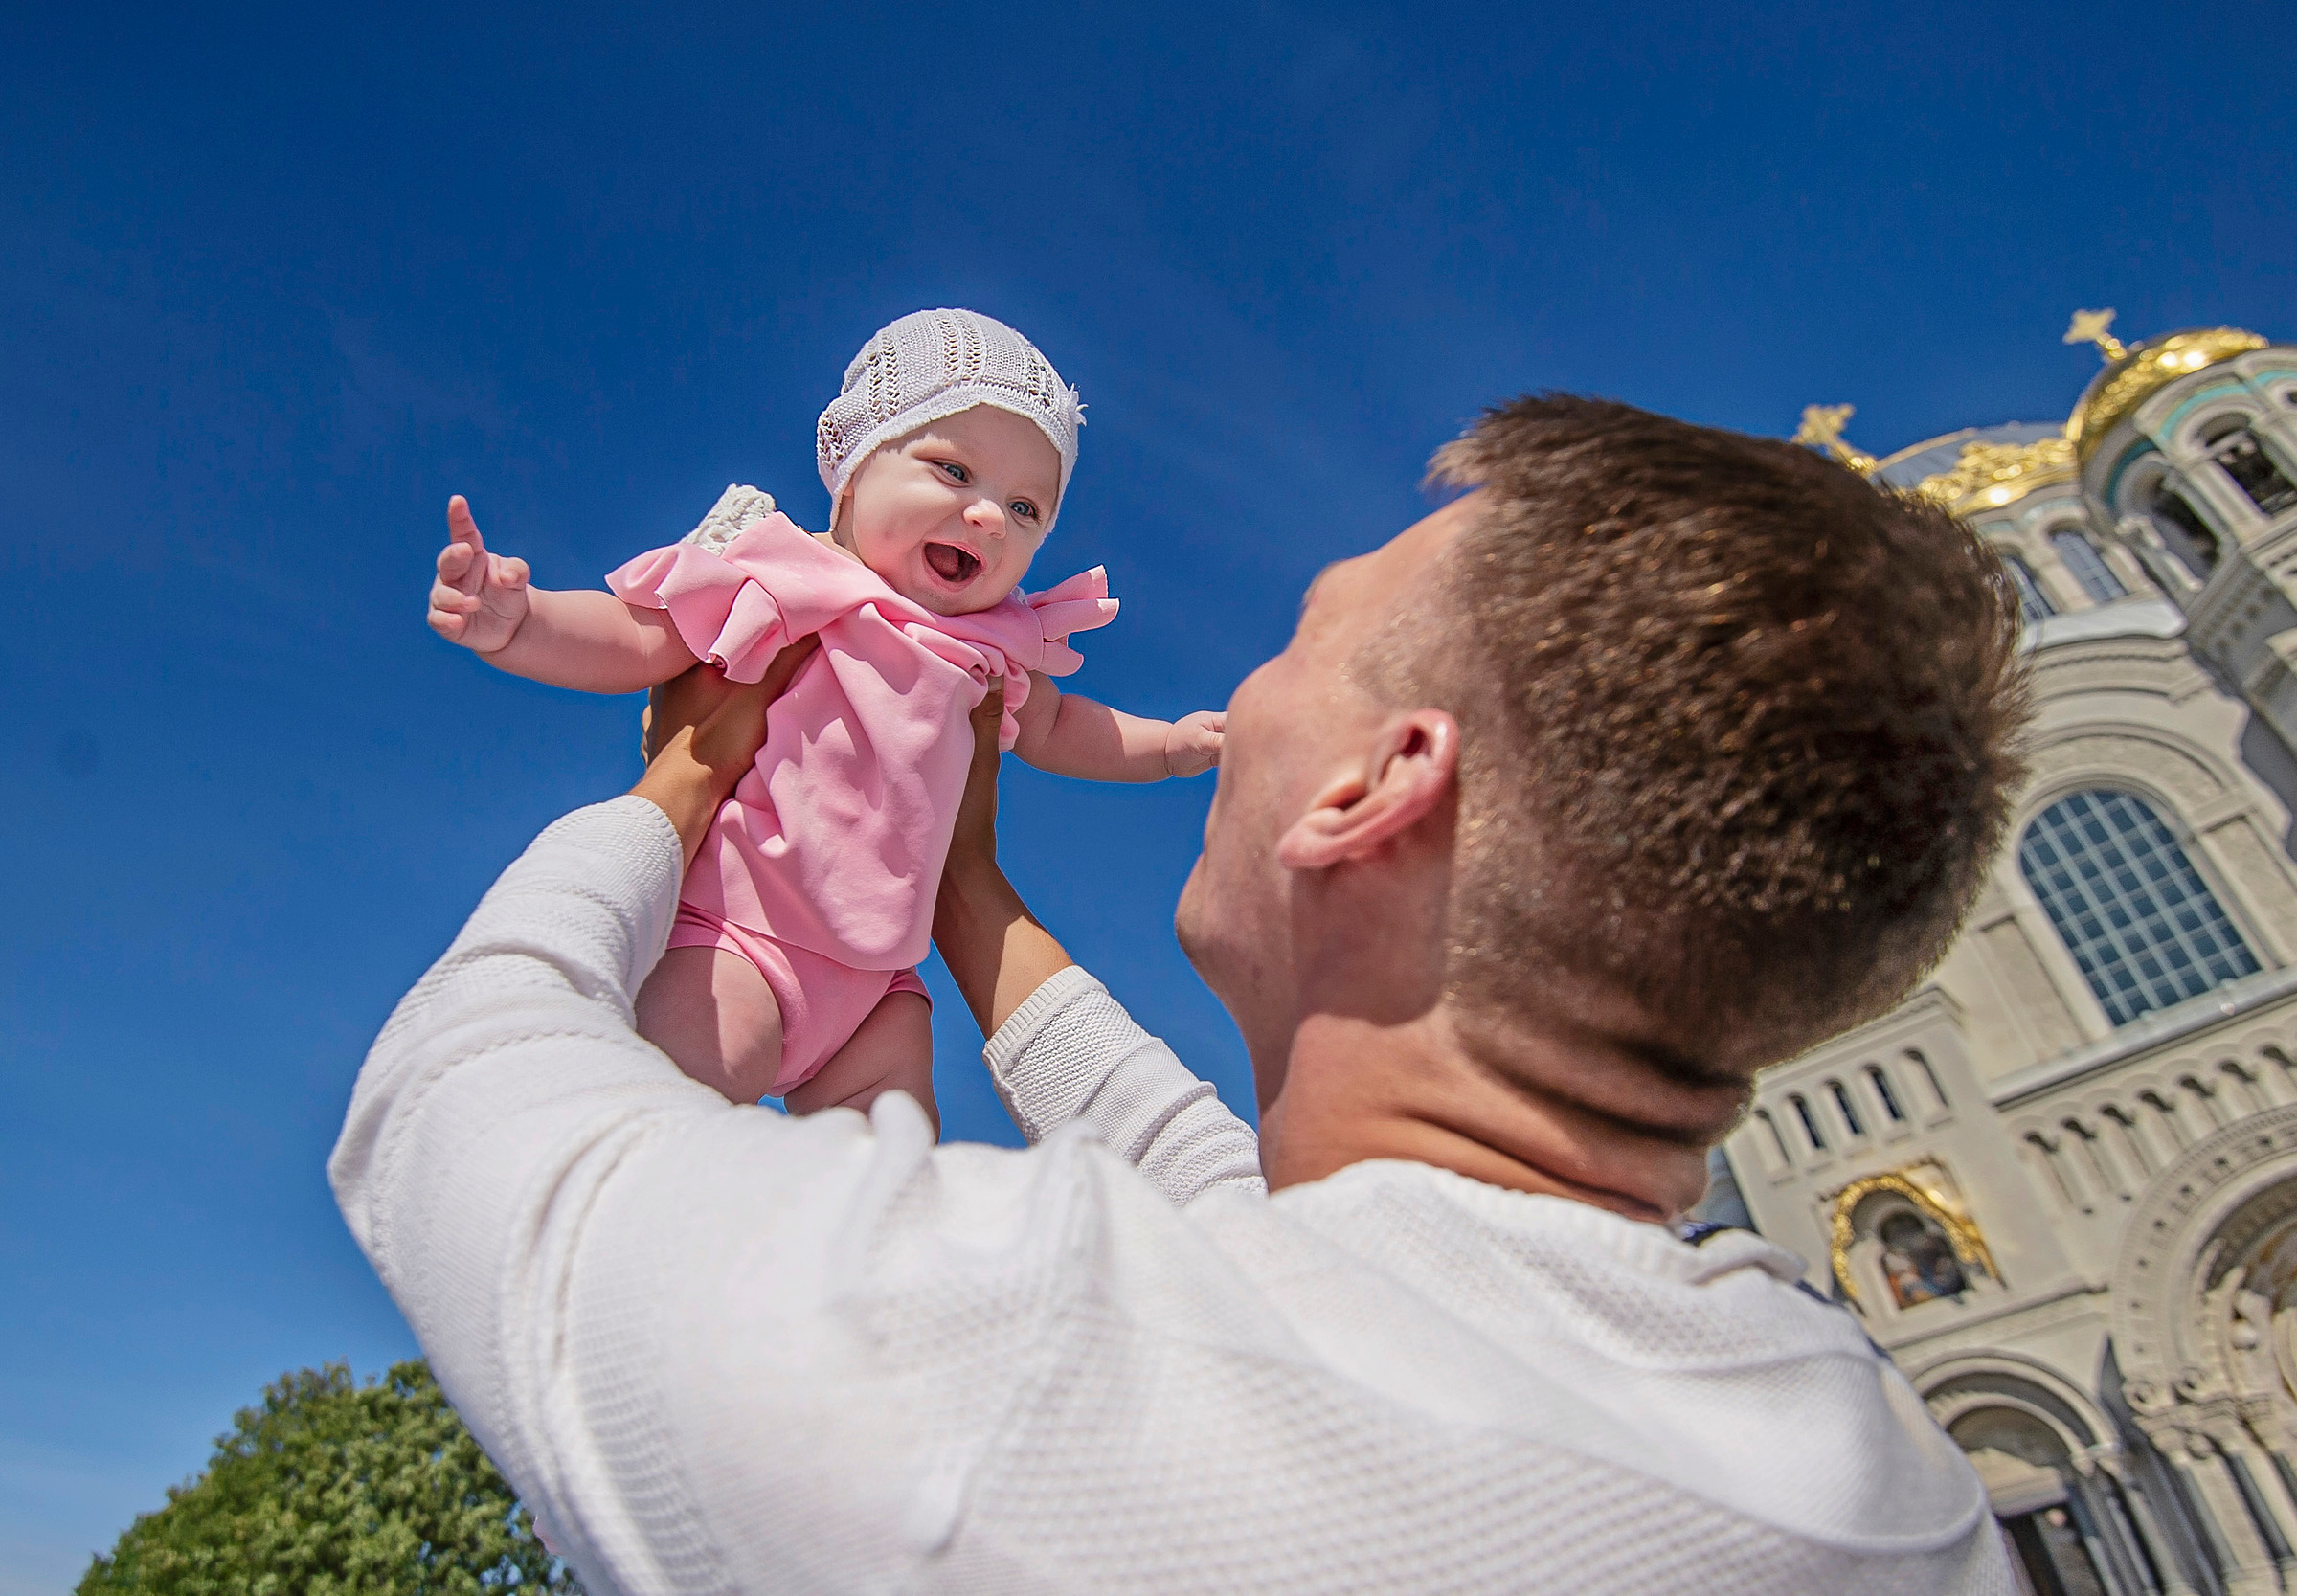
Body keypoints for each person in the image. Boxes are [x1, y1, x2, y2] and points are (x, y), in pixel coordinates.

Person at [335, 394, 2028, 1593]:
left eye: (1299, 638)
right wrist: (968, 892)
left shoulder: (992, 1380)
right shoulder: (1889, 1481)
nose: (1241, 693)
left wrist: (687, 775)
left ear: (1380, 784)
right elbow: (1275, 1230)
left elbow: (457, 1092)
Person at [421, 308, 1225, 1125]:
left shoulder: (993, 646)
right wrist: (523, 624)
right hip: (737, 931)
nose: (989, 515)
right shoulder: (791, 575)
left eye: (1025, 509)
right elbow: (645, 637)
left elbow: (1059, 727)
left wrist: (1167, 745)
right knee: (671, 1115)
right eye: (953, 470)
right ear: (855, 467)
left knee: (890, 1163)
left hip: (878, 987)